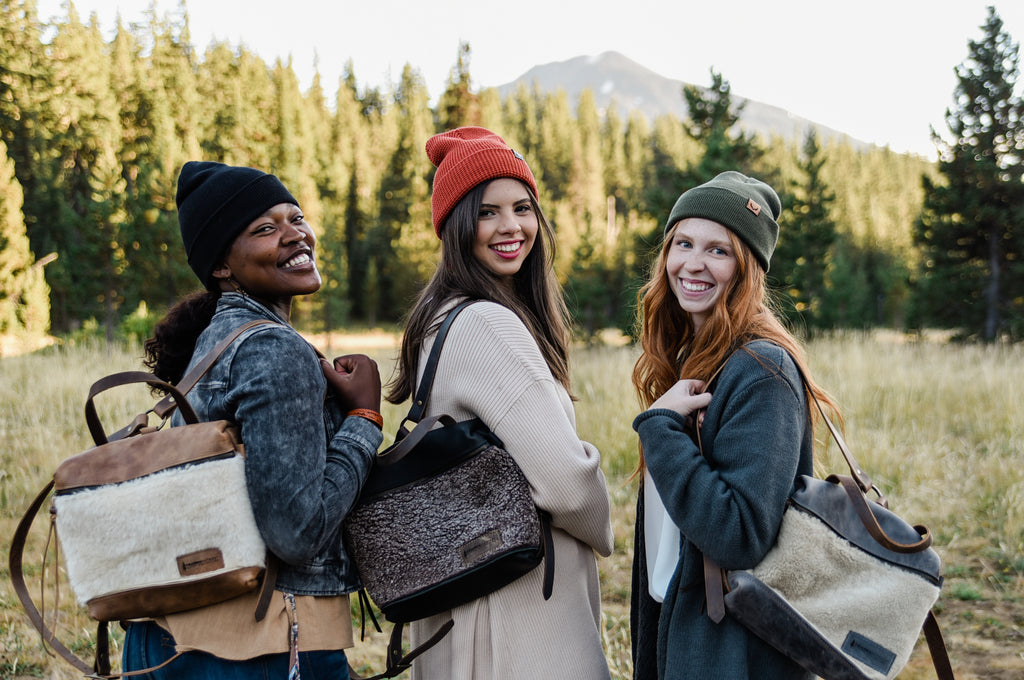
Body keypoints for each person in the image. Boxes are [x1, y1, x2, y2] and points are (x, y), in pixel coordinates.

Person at [126, 161, 383, 679]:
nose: (295, 235)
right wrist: (364, 417)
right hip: (263, 643)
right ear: (221, 265)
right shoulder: (272, 348)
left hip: (186, 636)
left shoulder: (217, 342)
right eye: (265, 229)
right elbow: (295, 532)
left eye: (297, 217)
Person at [385, 126, 614, 680]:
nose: (511, 227)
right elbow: (564, 480)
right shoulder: (487, 324)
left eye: (522, 207)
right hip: (515, 611)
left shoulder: (444, 316)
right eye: (487, 212)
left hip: (471, 595)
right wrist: (604, 525)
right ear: (457, 225)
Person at [629, 171, 839, 680]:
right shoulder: (692, 359)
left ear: (747, 269)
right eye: (683, 243)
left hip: (732, 654)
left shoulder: (760, 370)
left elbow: (739, 535)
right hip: (681, 629)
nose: (693, 264)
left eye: (718, 250)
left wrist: (659, 427)